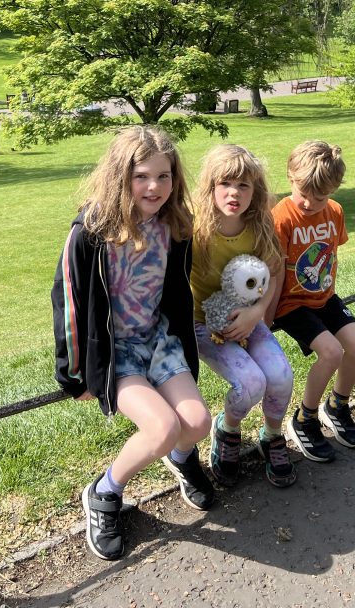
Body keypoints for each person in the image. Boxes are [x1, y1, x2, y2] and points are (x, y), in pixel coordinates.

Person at [51, 126, 213, 562]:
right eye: (142, 176)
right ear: (120, 175)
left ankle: (180, 459)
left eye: (164, 176)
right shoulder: (91, 230)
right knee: (161, 428)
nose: (155, 187)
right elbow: (67, 300)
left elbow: (178, 294)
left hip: (157, 340)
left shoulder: (175, 225)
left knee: (196, 423)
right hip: (114, 350)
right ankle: (104, 492)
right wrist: (73, 373)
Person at [191, 144, 296, 489]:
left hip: (250, 318)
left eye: (244, 185)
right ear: (210, 187)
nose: (234, 193)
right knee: (251, 383)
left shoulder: (259, 224)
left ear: (256, 191)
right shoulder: (193, 229)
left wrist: (257, 313)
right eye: (225, 184)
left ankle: (271, 435)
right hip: (203, 324)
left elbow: (273, 271)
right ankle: (228, 430)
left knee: (280, 376)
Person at [270, 140, 355, 463]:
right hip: (291, 303)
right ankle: (305, 418)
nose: (310, 203)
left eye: (321, 196)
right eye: (304, 193)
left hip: (323, 296)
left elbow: (329, 253)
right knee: (331, 352)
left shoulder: (335, 212)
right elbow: (272, 274)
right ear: (290, 178)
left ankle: (337, 406)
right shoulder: (281, 219)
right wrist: (264, 321)